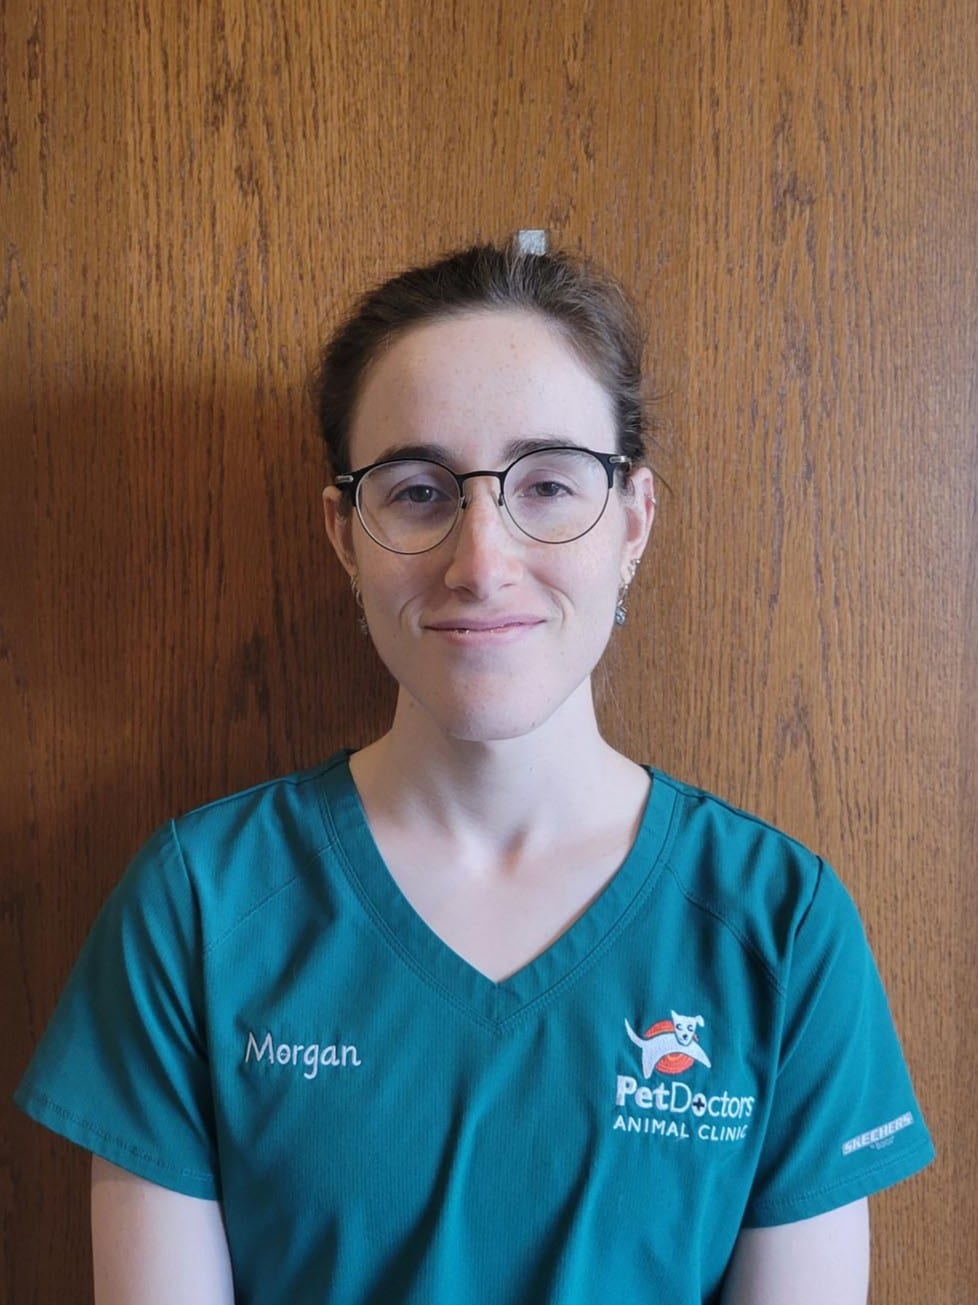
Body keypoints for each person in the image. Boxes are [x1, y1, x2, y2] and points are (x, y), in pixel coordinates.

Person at [16, 241, 933, 1304]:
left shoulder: (781, 925)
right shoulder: (200, 906)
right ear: (345, 533)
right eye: (417, 491)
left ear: (633, 520)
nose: (482, 558)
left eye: (547, 485)